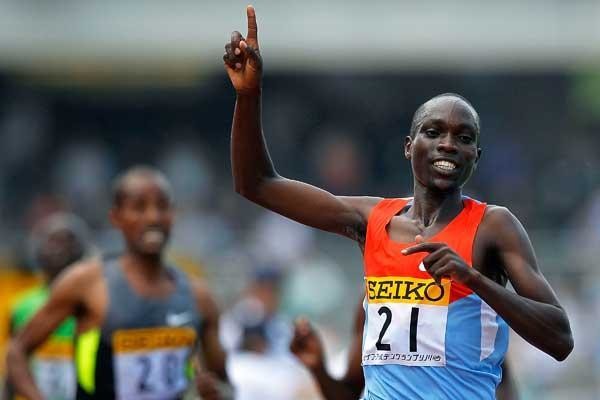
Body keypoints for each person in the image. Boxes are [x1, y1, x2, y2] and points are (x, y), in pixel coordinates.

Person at [224, 6, 573, 399]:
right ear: (409, 147)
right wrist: (248, 95)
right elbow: (256, 184)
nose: (448, 144)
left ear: (476, 156)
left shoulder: (494, 227)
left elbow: (560, 339)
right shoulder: (370, 219)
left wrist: (474, 280)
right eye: (433, 132)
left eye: (463, 138)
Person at [7, 166, 227, 400]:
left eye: (162, 206)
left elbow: (224, 382)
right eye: (139, 207)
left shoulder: (199, 296)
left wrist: (216, 393)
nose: (153, 217)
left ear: (173, 214)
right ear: (116, 217)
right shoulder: (86, 283)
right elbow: (16, 352)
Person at [290, 299, 519, 400]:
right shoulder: (375, 295)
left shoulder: (467, 301)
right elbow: (349, 394)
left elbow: (500, 384)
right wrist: (318, 370)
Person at [4, 213, 91, 400]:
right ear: (38, 250)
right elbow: (14, 360)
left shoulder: (91, 302)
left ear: (81, 251)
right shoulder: (23, 306)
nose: (60, 250)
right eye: (53, 242)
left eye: (69, 242)